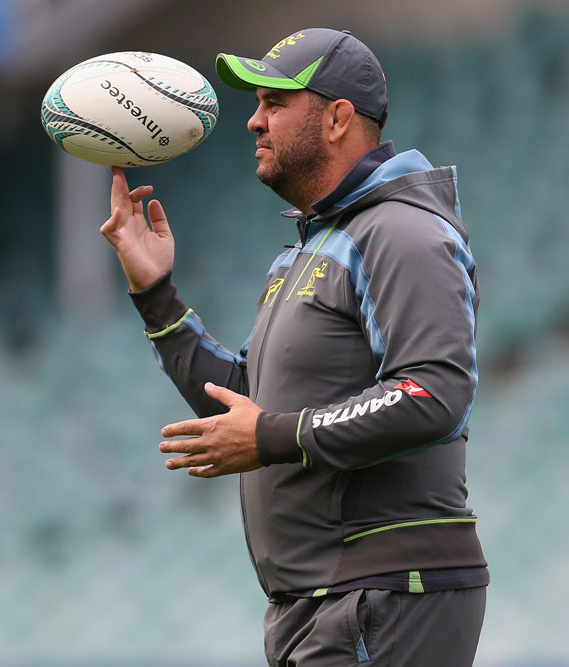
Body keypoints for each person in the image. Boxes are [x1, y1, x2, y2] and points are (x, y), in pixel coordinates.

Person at [100, 28, 487, 666]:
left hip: (385, 596)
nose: (254, 121)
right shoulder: (307, 251)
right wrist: (156, 294)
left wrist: (272, 436)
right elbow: (248, 403)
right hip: (320, 602)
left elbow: (434, 393)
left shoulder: (402, 232)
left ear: (337, 118)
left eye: (275, 103)